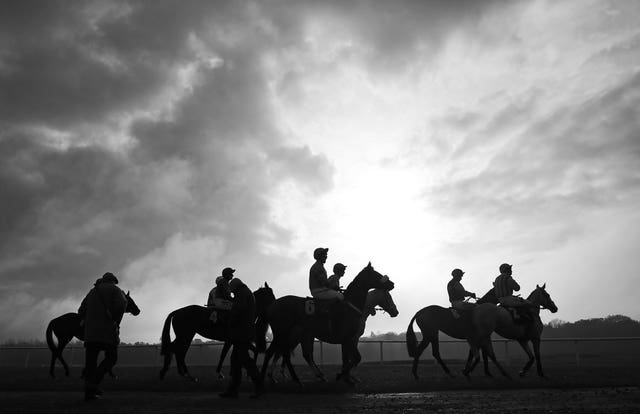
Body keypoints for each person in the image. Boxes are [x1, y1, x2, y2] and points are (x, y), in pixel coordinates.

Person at [77, 272, 127, 401]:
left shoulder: (92, 292)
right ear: (113, 281)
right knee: (111, 358)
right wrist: (115, 319)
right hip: (107, 331)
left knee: (90, 364)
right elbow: (122, 305)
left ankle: (89, 394)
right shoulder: (115, 290)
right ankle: (94, 383)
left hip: (90, 334)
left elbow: (81, 310)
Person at [219, 278, 265, 399]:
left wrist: (229, 320)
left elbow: (238, 311)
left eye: (233, 290)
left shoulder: (242, 294)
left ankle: (259, 386)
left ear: (235, 287)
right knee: (236, 361)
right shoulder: (245, 293)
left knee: (244, 360)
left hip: (241, 333)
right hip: (244, 332)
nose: (232, 292)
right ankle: (233, 389)